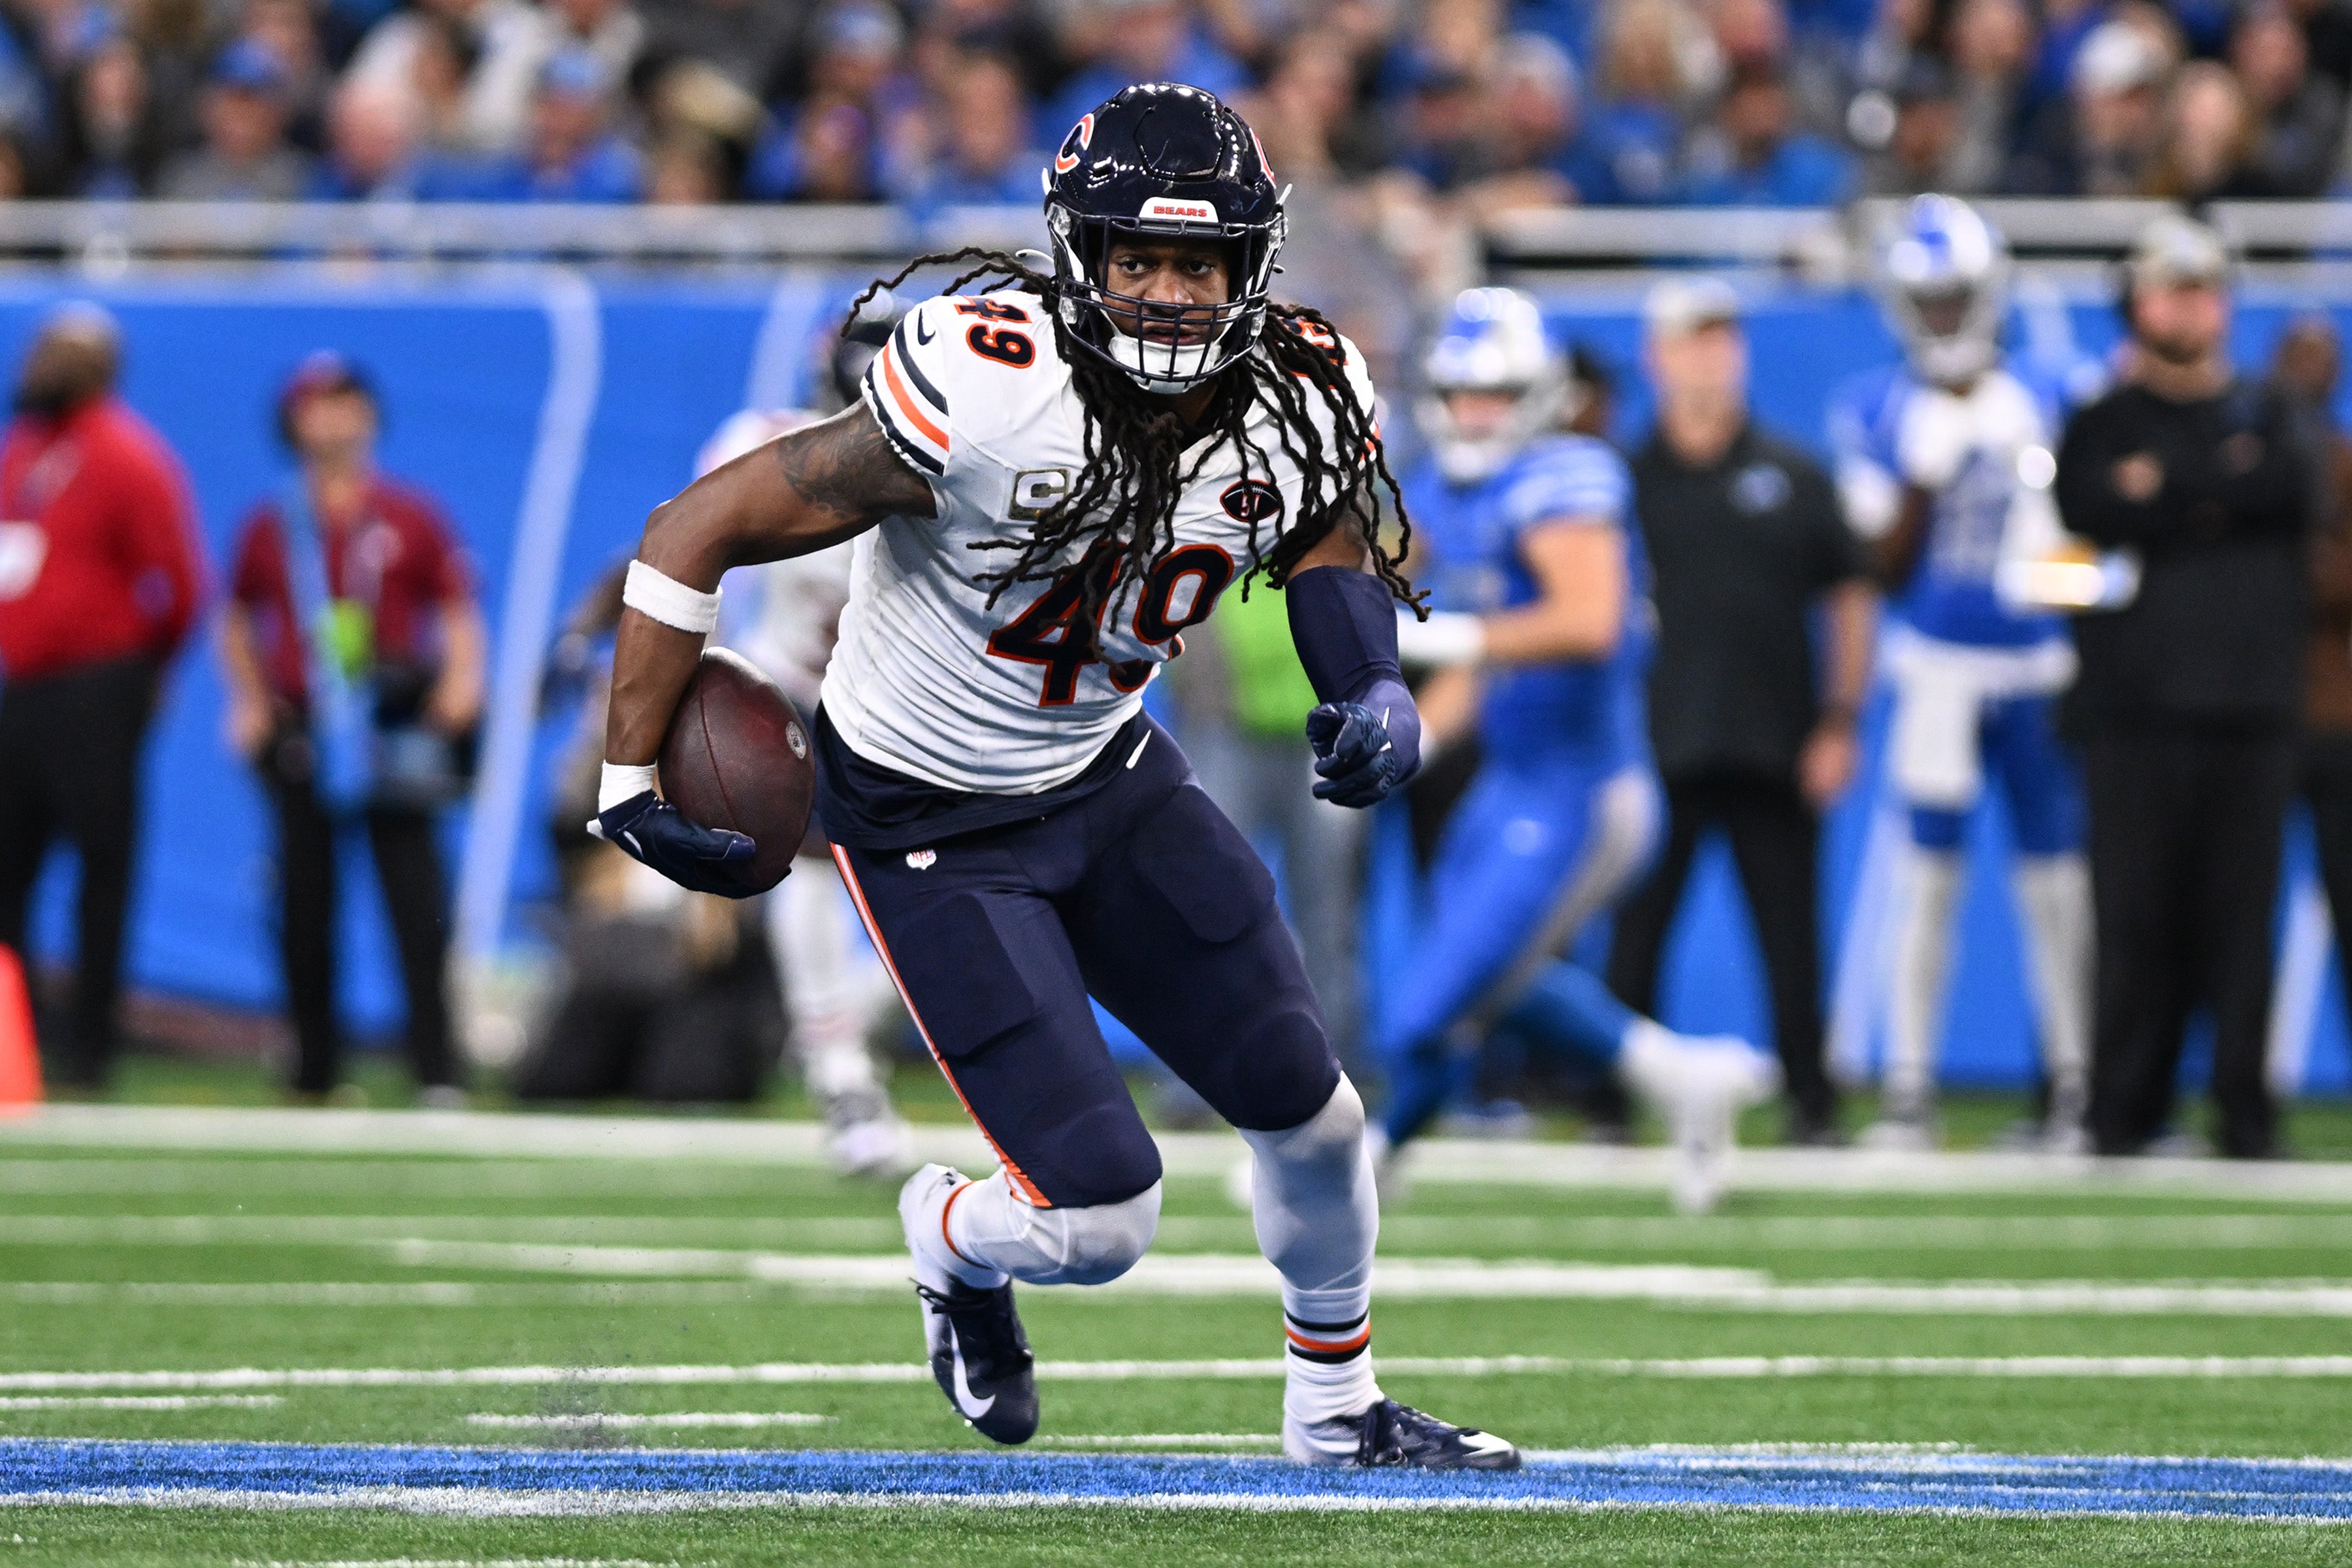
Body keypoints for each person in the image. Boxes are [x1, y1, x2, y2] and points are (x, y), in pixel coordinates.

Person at [591, 84, 1516, 1469]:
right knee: (1099, 1223)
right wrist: (624, 781)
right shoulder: (985, 387)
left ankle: (1336, 1410)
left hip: (1106, 773)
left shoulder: (1301, 385)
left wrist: (1368, 680)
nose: (1162, 292)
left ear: (1250, 267)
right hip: (928, 818)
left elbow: (1325, 536)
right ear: (1077, 257)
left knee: (1318, 1118)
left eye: (1195, 264)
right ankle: (951, 1239)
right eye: (1134, 258)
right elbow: (695, 528)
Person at [1379, 284, 1780, 1213]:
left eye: (1496, 393)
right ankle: (1683, 1078)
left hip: (1584, 790)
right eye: (1461, 393)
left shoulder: (1568, 477)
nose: (1476, 414)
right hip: (1514, 779)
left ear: (1538, 395)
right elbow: (1439, 611)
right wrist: (1419, 735)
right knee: (1484, 980)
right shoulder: (1440, 484)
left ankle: (1363, 1152)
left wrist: (1459, 639)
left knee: (1426, 1008)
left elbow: (1588, 622)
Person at [1827, 196, 2094, 1151]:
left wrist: (2058, 563)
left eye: (1956, 298)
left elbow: (2092, 563)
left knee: (2057, 883)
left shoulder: (2056, 393)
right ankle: (1909, 1091)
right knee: (1927, 878)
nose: (1943, 315)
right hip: (1936, 663)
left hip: (2037, 667)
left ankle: (2074, 1087)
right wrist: (1923, 484)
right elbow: (1878, 565)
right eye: (1927, 300)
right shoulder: (1876, 408)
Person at [2054, 213, 2315, 1160]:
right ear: (2136, 302)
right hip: (2135, 710)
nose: (2189, 306)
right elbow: (2088, 507)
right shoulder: (2100, 421)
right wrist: (2210, 492)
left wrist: (2166, 491)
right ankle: (2123, 1109)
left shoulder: (2270, 411)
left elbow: (2286, 489)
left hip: (2252, 708)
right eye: (2171, 288)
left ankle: (2246, 1110)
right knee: (2135, 919)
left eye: (2203, 287)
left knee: (2242, 926)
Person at [1607, 276, 1876, 1147]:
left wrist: (1841, 719)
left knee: (1793, 937)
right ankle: (1613, 1101)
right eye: (1692, 340)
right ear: (1658, 358)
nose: (1710, 357)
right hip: (1658, 739)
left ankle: (1812, 1102)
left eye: (1723, 340)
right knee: (1637, 932)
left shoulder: (1794, 474)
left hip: (1775, 738)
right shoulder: (1621, 482)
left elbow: (1849, 597)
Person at [220, 354, 487, 1106]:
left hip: (391, 722)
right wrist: (246, 700)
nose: (333, 420)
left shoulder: (406, 514)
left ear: (368, 417)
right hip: (306, 727)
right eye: (317, 406)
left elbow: (456, 602)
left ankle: (436, 1067)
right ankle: (314, 1067)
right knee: (303, 902)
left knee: (415, 896)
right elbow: (235, 615)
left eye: (346, 405)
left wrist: (463, 680)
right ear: (294, 422)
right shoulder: (276, 524)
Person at [700, 311, 913, 1177]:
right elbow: (693, 554)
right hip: (794, 689)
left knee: (963, 886)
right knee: (815, 869)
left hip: (910, 711)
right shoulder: (767, 443)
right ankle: (840, 1071)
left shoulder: (956, 458)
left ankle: (841, 1034)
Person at [0, 305, 205, 1092]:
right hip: (22, 685)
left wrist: (139, 668)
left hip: (96, 685)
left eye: (52, 353)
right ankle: (17, 1041)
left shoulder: (127, 456)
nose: (33, 365)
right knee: (9, 869)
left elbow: (176, 583)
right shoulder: (23, 449)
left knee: (100, 869)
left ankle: (89, 1052)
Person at [2273, 317, 2352, 1050]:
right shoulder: (2249, 461)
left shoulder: (2342, 465)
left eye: (2319, 363)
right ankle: (2234, 1091)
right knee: (2229, 919)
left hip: (2334, 718)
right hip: (2253, 717)